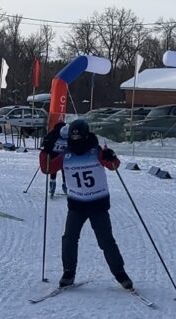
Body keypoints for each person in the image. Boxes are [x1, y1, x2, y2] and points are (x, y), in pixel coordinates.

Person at [44, 119, 132, 290]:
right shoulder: (66, 155)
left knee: (105, 241)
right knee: (69, 239)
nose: (76, 141)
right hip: (77, 205)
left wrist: (111, 156)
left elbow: (113, 165)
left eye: (79, 137)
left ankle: (120, 273)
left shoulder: (96, 152)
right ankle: (68, 272)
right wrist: (46, 150)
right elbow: (47, 168)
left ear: (85, 136)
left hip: (97, 204)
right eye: (73, 137)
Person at [40, 122, 68, 199]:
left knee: (59, 170)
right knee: (59, 171)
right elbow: (46, 144)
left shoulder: (54, 133)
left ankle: (58, 187)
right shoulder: (55, 133)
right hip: (58, 155)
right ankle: (60, 187)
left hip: (59, 155)